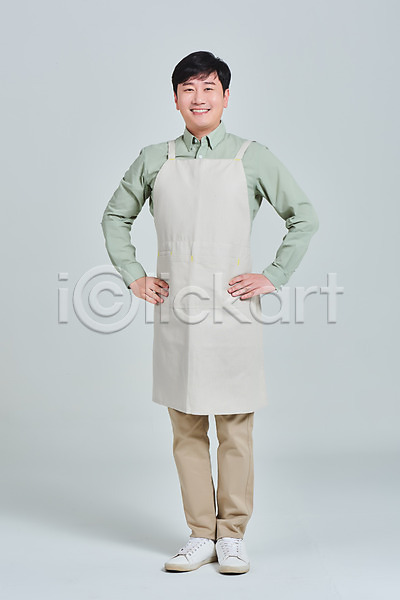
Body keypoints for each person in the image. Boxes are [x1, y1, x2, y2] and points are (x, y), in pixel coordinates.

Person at [101, 50, 319, 575]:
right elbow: (115, 217)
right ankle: (201, 533)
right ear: (175, 99)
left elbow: (303, 217)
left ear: (225, 97)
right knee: (186, 429)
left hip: (232, 311)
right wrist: (134, 274)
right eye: (188, 89)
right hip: (178, 310)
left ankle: (233, 535)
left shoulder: (252, 157)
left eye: (209, 88)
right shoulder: (155, 158)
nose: (199, 98)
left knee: (235, 429)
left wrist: (274, 274)